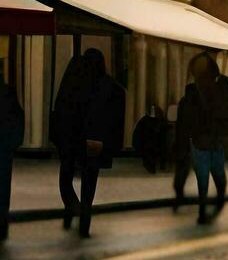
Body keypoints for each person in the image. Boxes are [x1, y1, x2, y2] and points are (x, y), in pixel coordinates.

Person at [51, 48, 124, 238]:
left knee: (66, 177)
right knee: (89, 183)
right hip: (94, 143)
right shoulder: (109, 86)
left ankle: (73, 209)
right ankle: (84, 218)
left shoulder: (75, 82)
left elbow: (63, 110)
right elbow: (114, 120)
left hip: (73, 140)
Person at [177, 52, 228, 225]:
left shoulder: (221, 85)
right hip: (202, 140)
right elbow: (189, 118)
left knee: (217, 175)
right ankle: (203, 210)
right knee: (205, 177)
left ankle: (214, 203)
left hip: (212, 139)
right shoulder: (193, 91)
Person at [0, 78, 22, 242]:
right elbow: (17, 118)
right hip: (4, 149)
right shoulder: (8, 92)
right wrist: (14, 144)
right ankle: (2, 227)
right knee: (2, 189)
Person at [132, 106, 168, 173]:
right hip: (148, 143)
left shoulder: (145, 121)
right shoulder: (145, 121)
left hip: (153, 143)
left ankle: (154, 164)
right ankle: (153, 164)